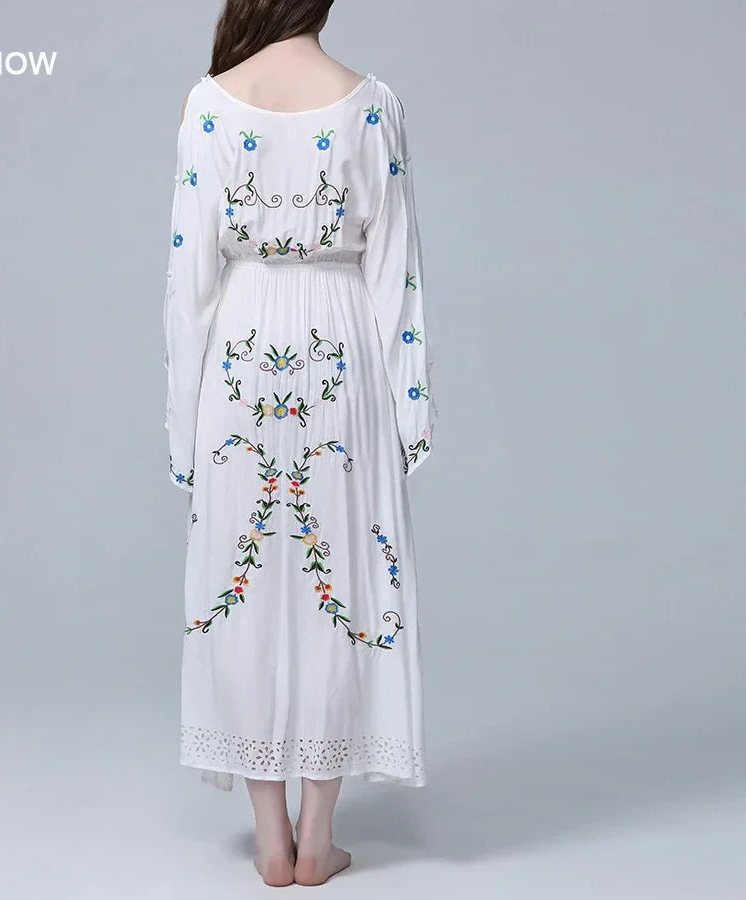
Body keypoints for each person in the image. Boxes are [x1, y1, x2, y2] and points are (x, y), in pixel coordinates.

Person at [162, 0, 438, 886]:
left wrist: (183, 419)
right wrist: (410, 411)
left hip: (241, 345)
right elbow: (397, 269)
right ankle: (319, 837)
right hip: (341, 342)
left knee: (242, 580)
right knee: (341, 574)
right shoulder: (372, 103)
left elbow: (187, 280)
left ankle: (270, 838)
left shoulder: (208, 103)